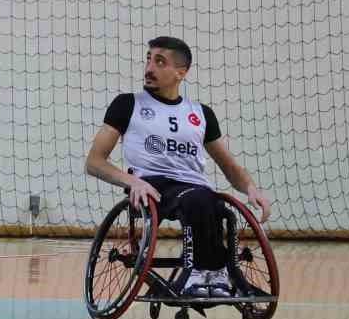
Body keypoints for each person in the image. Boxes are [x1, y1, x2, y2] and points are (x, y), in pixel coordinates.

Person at [84, 36, 272, 298]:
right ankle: (197, 275)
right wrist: (132, 182)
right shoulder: (128, 104)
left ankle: (222, 275)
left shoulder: (200, 113)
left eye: (159, 62)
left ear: (181, 73)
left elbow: (228, 165)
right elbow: (94, 162)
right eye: (148, 59)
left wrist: (251, 188)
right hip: (151, 187)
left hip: (195, 189)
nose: (149, 68)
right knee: (198, 200)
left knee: (221, 209)